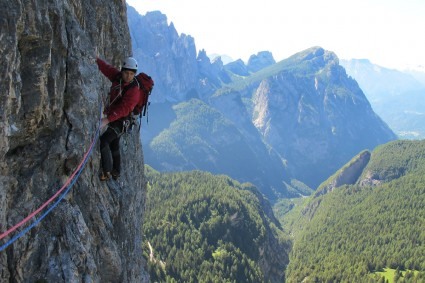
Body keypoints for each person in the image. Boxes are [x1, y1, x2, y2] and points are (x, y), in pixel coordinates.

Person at [96, 56, 140, 181]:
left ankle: (107, 171)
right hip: (115, 118)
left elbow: (124, 109)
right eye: (126, 73)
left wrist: (107, 120)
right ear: (122, 71)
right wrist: (95, 60)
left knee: (104, 141)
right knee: (114, 144)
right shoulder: (118, 77)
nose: (128, 76)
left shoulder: (134, 90)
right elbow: (107, 69)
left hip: (122, 121)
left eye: (131, 74)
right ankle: (116, 171)